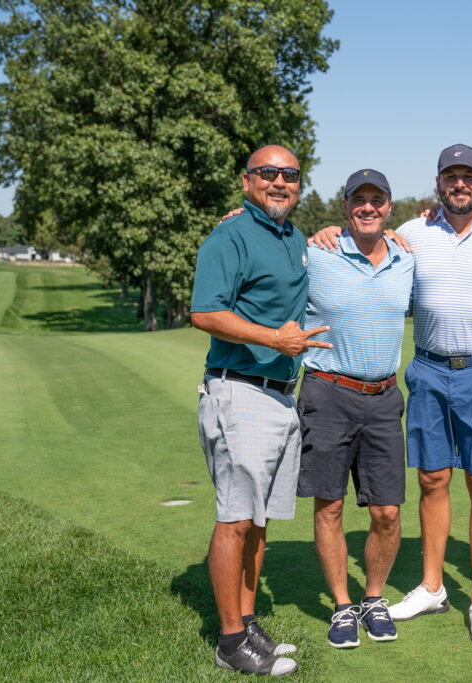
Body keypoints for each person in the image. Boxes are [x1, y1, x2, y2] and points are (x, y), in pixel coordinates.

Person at [313, 144, 472, 643]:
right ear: (438, 183)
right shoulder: (409, 233)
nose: (459, 184)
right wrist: (326, 231)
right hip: (428, 371)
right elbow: (364, 248)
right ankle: (432, 586)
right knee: (432, 479)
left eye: (468, 176)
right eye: (451, 176)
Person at [190, 144, 331, 675]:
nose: (279, 182)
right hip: (239, 389)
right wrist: (274, 337)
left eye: (289, 175)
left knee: (259, 522)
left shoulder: (294, 238)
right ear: (246, 181)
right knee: (235, 519)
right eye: (267, 173)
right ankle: (230, 642)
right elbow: (205, 312)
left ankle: (247, 623)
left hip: (278, 394)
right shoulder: (229, 236)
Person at [295, 169, 415, 649]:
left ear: (389, 207)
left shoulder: (407, 255)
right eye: (358, 199)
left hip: (384, 397)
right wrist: (240, 215)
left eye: (377, 200)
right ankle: (343, 607)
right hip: (327, 392)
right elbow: (268, 242)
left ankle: (373, 598)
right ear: (345, 206)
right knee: (331, 506)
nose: (368, 207)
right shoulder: (316, 251)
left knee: (387, 511)